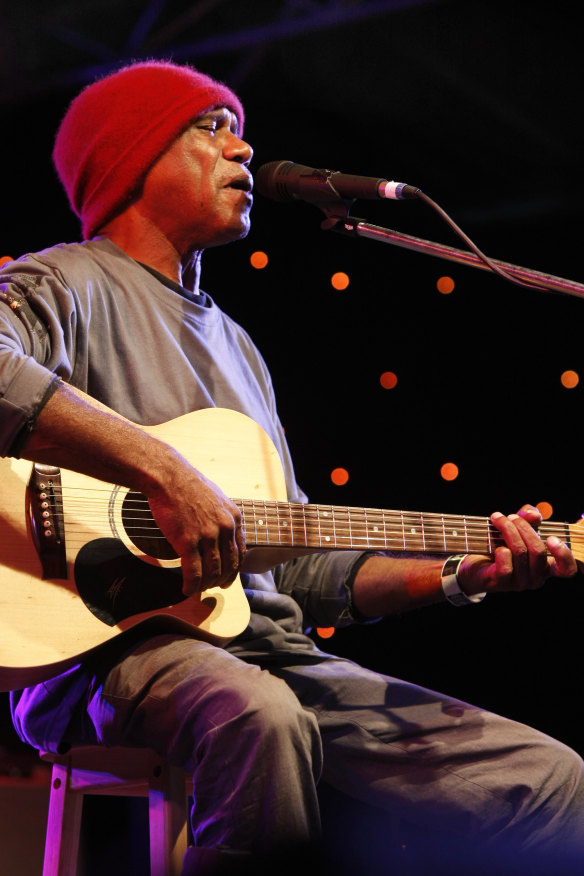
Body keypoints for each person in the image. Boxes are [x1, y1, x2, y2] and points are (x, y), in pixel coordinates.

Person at [1, 60, 582, 875]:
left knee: (549, 781)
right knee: (261, 716)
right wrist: (162, 472)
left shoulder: (240, 348)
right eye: (210, 126)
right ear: (129, 158)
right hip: (109, 657)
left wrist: (461, 575)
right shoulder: (68, 281)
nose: (242, 149)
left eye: (237, 128)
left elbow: (301, 569)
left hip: (268, 654)